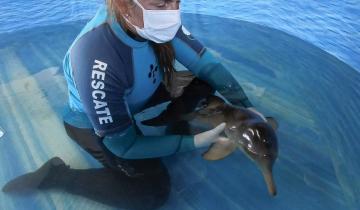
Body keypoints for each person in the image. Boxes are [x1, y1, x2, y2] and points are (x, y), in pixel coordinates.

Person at [62, 0, 265, 177]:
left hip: (139, 94)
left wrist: (246, 106)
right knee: (154, 189)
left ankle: (173, 123)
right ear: (124, 4)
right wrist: (194, 142)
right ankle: (58, 176)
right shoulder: (97, 60)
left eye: (178, 2)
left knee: (204, 83)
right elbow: (124, 146)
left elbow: (207, 66)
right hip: (92, 124)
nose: (172, 14)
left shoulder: (151, 21)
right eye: (161, 4)